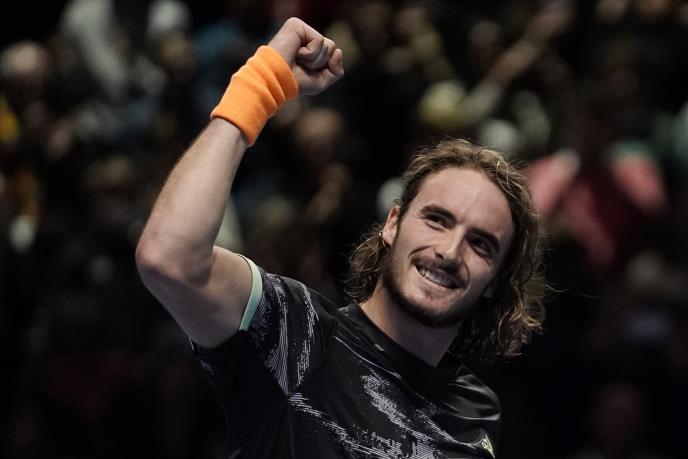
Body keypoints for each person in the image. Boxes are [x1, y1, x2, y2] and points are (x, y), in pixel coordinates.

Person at [136, 17, 544, 459]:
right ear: (392, 224)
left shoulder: (475, 412)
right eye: (436, 220)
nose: (450, 250)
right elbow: (171, 258)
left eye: (481, 243)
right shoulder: (297, 333)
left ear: (496, 279)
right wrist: (260, 84)